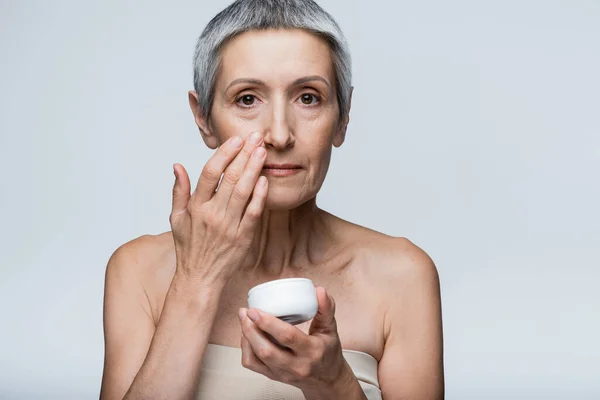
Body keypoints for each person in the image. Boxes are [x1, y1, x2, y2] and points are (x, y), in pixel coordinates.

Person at [99, 0, 444, 399]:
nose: (279, 135)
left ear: (343, 116)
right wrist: (197, 280)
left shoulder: (401, 276)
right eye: (247, 99)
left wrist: (334, 384)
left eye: (308, 97)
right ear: (204, 119)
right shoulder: (138, 270)